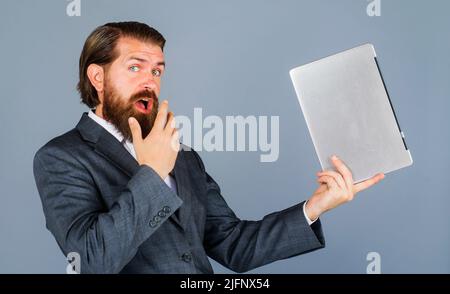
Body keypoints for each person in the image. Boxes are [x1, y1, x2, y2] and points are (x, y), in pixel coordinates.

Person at [33, 21, 385, 274]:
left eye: (157, 71)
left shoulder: (183, 157)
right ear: (98, 78)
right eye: (135, 67)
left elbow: (234, 246)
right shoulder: (61, 158)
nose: (149, 81)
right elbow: (92, 261)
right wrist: (153, 173)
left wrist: (316, 206)